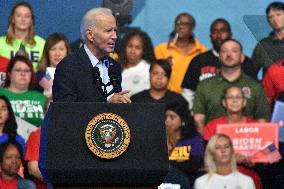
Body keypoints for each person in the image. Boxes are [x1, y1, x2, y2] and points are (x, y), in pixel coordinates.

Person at [53, 7, 130, 103]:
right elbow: (65, 111)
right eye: (108, 31)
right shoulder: (68, 67)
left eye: (115, 31)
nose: (114, 36)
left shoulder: (114, 66)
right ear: (90, 35)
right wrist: (106, 104)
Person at [193, 39, 270, 134]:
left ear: (242, 57)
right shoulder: (204, 86)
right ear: (219, 57)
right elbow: (199, 120)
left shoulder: (255, 87)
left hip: (247, 144)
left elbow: (262, 120)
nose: (229, 54)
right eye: (224, 51)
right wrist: (205, 144)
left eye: (234, 51)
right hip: (214, 144)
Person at [181, 18, 257, 109]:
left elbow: (253, 92)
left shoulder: (245, 62)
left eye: (222, 31)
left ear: (230, 35)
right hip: (207, 119)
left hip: (238, 118)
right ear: (210, 36)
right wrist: (195, 114)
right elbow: (188, 92)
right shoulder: (199, 61)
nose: (219, 35)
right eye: (215, 32)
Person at [155, 12, 207, 94]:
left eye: (185, 24)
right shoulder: (161, 49)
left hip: (193, 98)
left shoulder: (202, 51)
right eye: (178, 23)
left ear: (192, 28)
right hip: (167, 99)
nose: (180, 27)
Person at [165, 99, 204, 189]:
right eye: (166, 116)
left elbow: (195, 164)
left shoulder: (194, 138)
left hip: (189, 180)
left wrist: (171, 164)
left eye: (172, 117)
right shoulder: (160, 138)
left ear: (183, 120)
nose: (167, 121)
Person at [0, 55, 47, 127]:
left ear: (32, 75)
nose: (23, 74)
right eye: (18, 70)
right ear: (9, 74)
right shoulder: (1, 94)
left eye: (27, 71)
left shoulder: (42, 99)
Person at [0, 2, 45, 71]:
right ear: (12, 19)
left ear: (31, 21)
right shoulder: (1, 43)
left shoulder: (42, 43)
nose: (23, 19)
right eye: (19, 15)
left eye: (27, 16)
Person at [119, 29, 155, 97]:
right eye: (130, 46)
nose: (133, 51)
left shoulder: (148, 69)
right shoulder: (114, 67)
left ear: (144, 51)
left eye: (138, 48)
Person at [252, 1, 284, 76]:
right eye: (271, 17)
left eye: (278, 14)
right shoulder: (263, 45)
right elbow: (251, 73)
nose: (275, 19)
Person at [35, 33, 71, 98]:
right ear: (47, 53)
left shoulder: (74, 73)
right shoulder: (40, 75)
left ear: (67, 52)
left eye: (61, 49)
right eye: (53, 49)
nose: (57, 54)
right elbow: (52, 91)